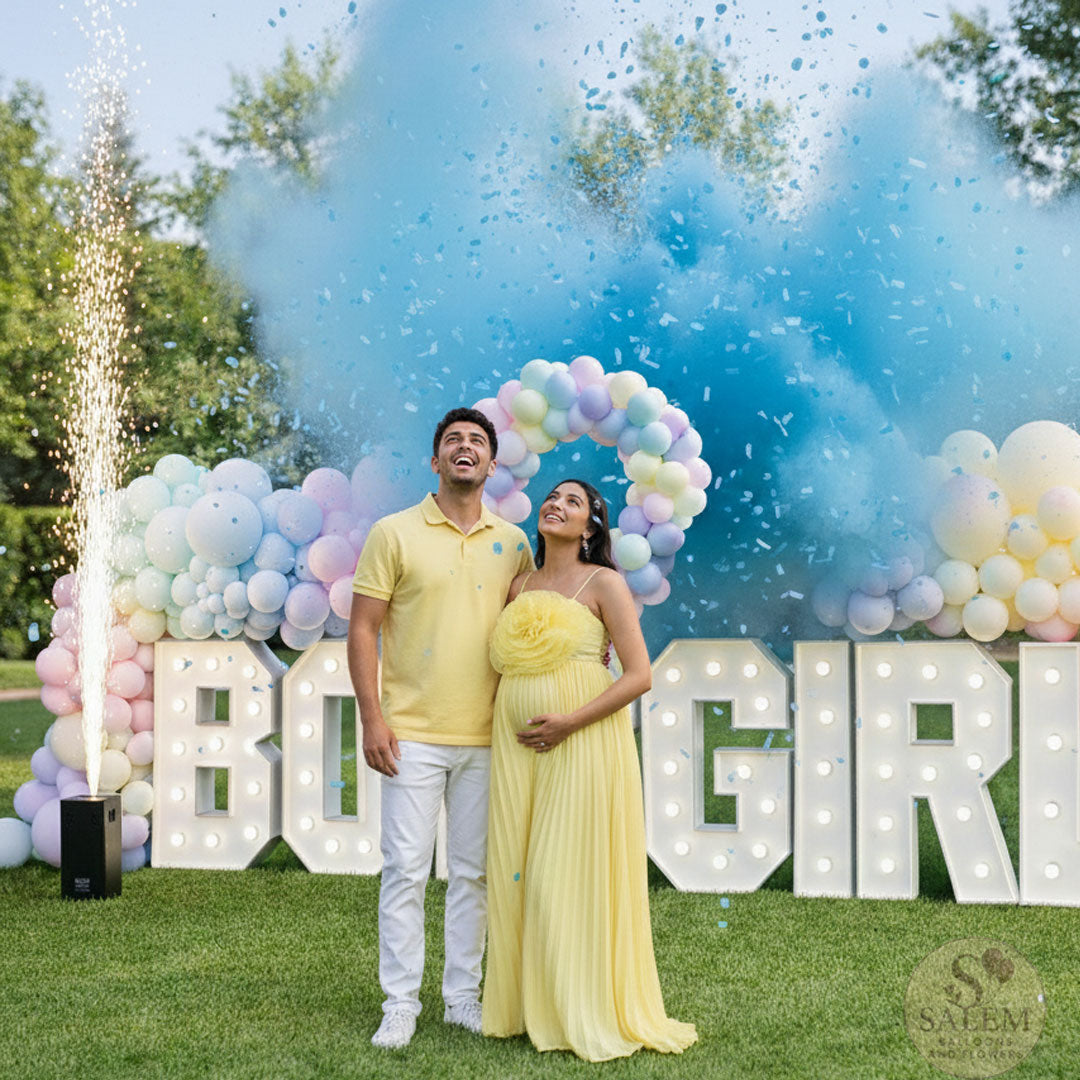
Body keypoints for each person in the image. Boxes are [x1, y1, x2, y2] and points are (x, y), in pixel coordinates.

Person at [482, 479, 698, 1061]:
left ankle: (579, 1008)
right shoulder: (518, 585)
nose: (556, 505)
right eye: (553, 497)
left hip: (581, 742)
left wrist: (569, 722)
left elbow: (639, 675)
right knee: (515, 872)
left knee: (558, 873)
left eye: (573, 502)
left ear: (591, 528)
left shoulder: (604, 583)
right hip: (515, 748)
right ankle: (523, 1007)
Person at [347, 407, 533, 1050]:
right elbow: (363, 629)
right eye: (453, 440)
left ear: (491, 464)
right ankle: (400, 1004)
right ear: (435, 461)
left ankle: (461, 998)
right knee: (405, 870)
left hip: (489, 736)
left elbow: (533, 625)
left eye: (477, 441)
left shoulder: (515, 542)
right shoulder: (393, 533)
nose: (465, 447)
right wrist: (373, 718)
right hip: (411, 734)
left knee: (474, 873)